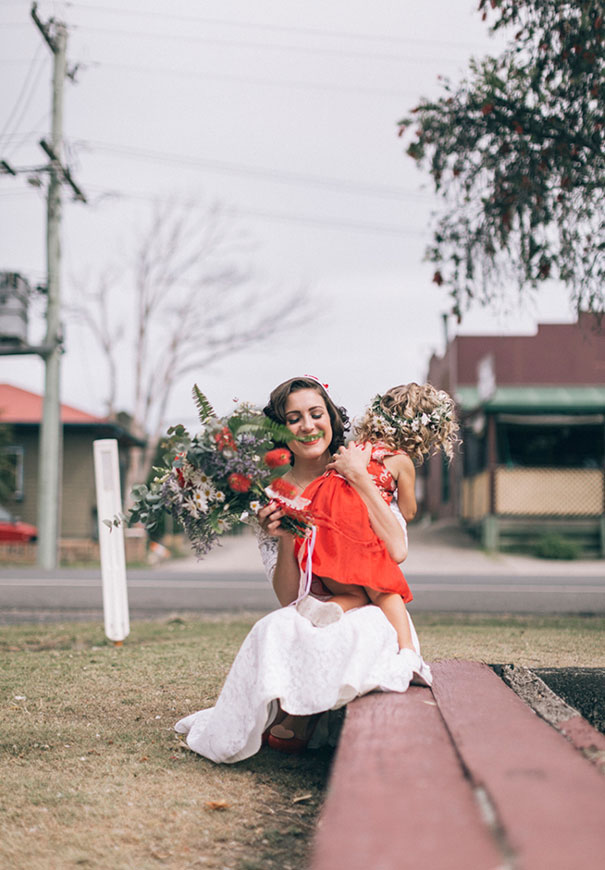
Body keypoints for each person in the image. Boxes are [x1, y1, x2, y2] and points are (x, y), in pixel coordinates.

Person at [175, 376, 433, 761]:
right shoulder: (271, 494)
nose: (308, 426)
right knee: (274, 627)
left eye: (316, 413)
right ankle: (293, 711)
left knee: (355, 629)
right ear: (280, 430)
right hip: (314, 605)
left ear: (331, 417)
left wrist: (359, 478)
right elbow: (289, 597)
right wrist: (282, 535)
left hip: (377, 603)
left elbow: (396, 550)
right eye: (293, 419)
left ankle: (304, 715)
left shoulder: (363, 465)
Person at [289, 383, 458, 655]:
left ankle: (325, 608)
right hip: (354, 522)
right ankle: (408, 652)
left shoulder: (356, 447)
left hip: (322, 516)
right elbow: (409, 510)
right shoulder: (400, 460)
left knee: (355, 593)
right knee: (387, 591)